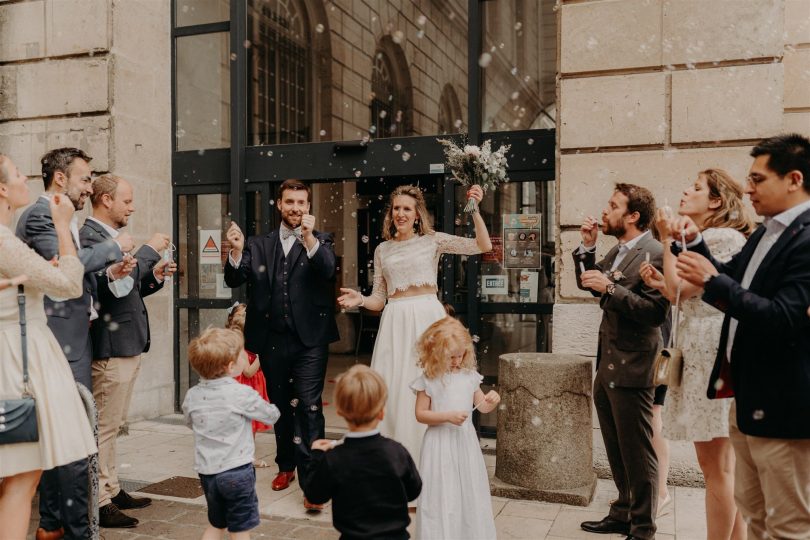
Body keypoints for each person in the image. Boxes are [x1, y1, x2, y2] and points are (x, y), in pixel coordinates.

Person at [673, 134, 810, 540]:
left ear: (794, 179)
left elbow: (785, 318)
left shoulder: (805, 238)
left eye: (757, 179)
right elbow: (731, 275)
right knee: (755, 515)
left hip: (784, 402)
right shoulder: (770, 231)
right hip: (748, 396)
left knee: (788, 525)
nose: (747, 189)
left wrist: (712, 282)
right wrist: (693, 241)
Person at [16, 147, 134, 540]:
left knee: (62, 437)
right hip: (58, 340)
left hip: (69, 337)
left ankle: (51, 524)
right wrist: (116, 246)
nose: (89, 187)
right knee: (73, 440)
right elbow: (63, 270)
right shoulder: (38, 215)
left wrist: (108, 270)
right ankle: (77, 530)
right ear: (61, 179)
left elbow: (76, 274)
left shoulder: (62, 217)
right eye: (85, 178)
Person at [337, 184, 492, 466]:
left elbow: (482, 246)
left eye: (407, 208)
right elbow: (379, 299)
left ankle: (430, 464)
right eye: (396, 208)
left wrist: (475, 211)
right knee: (394, 389)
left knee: (432, 387)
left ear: (418, 214)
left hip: (427, 321)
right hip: (395, 322)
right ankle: (394, 463)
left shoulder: (433, 241)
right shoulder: (382, 250)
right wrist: (360, 299)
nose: (401, 213)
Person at [640, 169, 752, 539]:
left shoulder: (718, 236)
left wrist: (667, 238)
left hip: (710, 354)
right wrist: (664, 281)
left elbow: (677, 290)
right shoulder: (725, 237)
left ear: (717, 201)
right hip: (715, 349)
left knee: (715, 469)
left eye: (697, 188)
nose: (686, 191)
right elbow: (687, 292)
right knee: (727, 468)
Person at [224, 179, 339, 507]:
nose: (295, 208)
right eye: (289, 202)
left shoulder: (321, 240)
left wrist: (308, 238)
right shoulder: (259, 244)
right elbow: (235, 277)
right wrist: (235, 249)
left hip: (310, 341)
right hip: (271, 340)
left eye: (301, 202)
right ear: (279, 205)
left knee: (309, 405)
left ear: (308, 206)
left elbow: (328, 270)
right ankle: (286, 465)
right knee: (280, 407)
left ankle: (313, 483)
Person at [0, 154, 97, 539]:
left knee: (21, 477)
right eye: (18, 174)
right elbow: (71, 286)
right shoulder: (5, 241)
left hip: (14, 349)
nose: (27, 179)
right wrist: (61, 227)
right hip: (20, 356)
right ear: (3, 189)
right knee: (22, 480)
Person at [80, 174, 177, 528]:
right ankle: (101, 500)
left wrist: (155, 274)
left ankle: (113, 486)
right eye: (127, 200)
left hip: (127, 344)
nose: (132, 207)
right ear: (106, 200)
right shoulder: (91, 237)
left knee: (114, 423)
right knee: (105, 426)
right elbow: (107, 290)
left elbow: (127, 288)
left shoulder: (109, 238)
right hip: (110, 347)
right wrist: (149, 251)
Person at [573, 183, 669, 540]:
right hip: (609, 362)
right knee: (615, 444)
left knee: (638, 450)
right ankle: (623, 511)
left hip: (634, 364)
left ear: (633, 216)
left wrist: (612, 289)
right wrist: (586, 247)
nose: (605, 211)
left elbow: (656, 312)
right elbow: (588, 282)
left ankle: (643, 527)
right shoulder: (619, 250)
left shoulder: (656, 252)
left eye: (613, 206)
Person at [183, 327, 281, 540]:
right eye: (241, 355)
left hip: (208, 472)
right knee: (239, 529)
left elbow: (190, 422)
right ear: (230, 366)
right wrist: (276, 405)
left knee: (216, 524)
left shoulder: (192, 395)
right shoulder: (241, 393)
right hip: (237, 472)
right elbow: (270, 416)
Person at [303, 364, 422, 539]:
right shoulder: (396, 451)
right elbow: (414, 490)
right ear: (381, 413)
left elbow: (315, 495)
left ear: (340, 412)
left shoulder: (334, 458)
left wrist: (316, 456)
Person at [411, 317, 500, 540]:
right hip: (439, 444)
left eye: (460, 355)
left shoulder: (469, 377)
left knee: (467, 490)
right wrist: (447, 417)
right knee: (440, 493)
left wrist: (492, 400)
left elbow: (484, 406)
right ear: (435, 353)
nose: (456, 361)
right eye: (450, 356)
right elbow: (421, 414)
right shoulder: (429, 379)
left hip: (465, 443)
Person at [226, 302, 274, 460]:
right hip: (248, 386)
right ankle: (245, 457)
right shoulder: (241, 350)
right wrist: (261, 356)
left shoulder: (244, 346)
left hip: (252, 386)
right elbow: (248, 371)